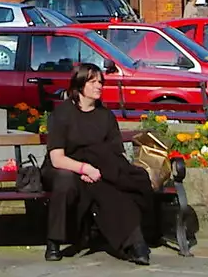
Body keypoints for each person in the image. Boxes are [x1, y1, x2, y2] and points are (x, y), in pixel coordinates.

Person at [40, 62, 156, 264]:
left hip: (99, 167)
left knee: (113, 189)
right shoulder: (62, 114)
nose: (99, 86)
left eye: (100, 82)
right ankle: (54, 242)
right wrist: (84, 169)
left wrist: (96, 171)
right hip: (65, 166)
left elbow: (115, 153)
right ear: (80, 85)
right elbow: (57, 158)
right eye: (93, 82)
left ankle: (136, 244)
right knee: (66, 181)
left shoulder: (105, 116)